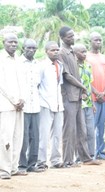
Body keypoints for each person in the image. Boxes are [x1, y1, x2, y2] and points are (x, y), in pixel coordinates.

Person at [58, 26, 101, 167]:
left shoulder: (72, 52)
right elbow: (67, 75)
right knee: (69, 130)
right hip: (69, 96)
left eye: (73, 35)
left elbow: (76, 75)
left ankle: (85, 158)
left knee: (81, 129)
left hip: (77, 96)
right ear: (62, 38)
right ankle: (67, 160)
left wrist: (82, 90)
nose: (72, 38)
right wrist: (82, 86)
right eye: (69, 36)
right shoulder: (62, 53)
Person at [0, 33, 25, 179]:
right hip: (6, 105)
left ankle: (14, 168)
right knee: (5, 138)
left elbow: (23, 82)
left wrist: (22, 99)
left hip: (19, 106)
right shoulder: (1, 59)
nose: (14, 44)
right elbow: (2, 84)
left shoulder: (18, 60)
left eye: (16, 42)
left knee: (17, 137)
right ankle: (4, 169)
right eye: (10, 42)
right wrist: (15, 100)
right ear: (4, 42)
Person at [37, 41, 65, 169]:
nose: (55, 52)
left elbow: (59, 85)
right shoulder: (42, 65)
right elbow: (36, 85)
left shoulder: (60, 65)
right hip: (45, 103)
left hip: (59, 104)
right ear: (46, 51)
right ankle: (41, 161)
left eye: (57, 50)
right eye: (52, 50)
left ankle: (56, 160)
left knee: (57, 134)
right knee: (44, 134)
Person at [18, 39, 43, 173]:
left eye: (34, 48)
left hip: (36, 106)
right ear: (23, 48)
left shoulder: (37, 64)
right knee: (23, 137)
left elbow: (38, 84)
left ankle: (32, 164)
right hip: (23, 106)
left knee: (35, 136)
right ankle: (21, 165)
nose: (31, 50)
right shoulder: (18, 64)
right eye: (29, 48)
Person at [86, 32, 105, 160]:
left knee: (103, 126)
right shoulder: (86, 57)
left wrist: (104, 92)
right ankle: (91, 153)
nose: (98, 42)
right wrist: (96, 92)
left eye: (100, 40)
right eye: (96, 40)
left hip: (104, 98)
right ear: (90, 41)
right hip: (93, 98)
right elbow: (85, 78)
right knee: (92, 126)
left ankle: (102, 152)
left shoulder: (104, 58)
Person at [74, 44, 95, 159]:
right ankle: (80, 156)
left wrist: (93, 103)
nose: (85, 54)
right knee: (81, 131)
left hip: (89, 103)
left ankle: (91, 154)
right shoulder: (73, 67)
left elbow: (89, 85)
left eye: (85, 52)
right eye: (82, 52)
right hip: (78, 103)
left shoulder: (88, 66)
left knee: (91, 130)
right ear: (75, 53)